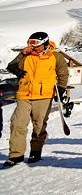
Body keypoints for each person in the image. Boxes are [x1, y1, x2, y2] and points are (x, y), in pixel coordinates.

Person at [5, 32, 69, 167]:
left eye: (35, 44)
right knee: (17, 123)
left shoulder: (55, 57)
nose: (32, 47)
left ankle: (35, 150)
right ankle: (16, 155)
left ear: (45, 43)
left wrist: (61, 88)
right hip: (25, 94)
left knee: (39, 125)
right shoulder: (26, 55)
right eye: (30, 43)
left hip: (44, 95)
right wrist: (22, 55)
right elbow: (11, 66)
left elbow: (63, 73)